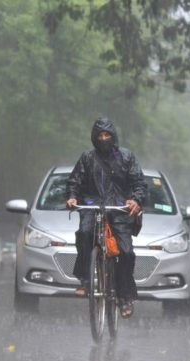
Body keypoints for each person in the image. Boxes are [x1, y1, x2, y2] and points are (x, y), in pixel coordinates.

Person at [66, 117, 147, 318]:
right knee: (84, 233)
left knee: (126, 253)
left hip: (119, 208)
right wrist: (72, 196)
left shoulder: (126, 157)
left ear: (113, 136)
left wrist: (135, 200)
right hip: (92, 205)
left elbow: (139, 182)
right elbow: (74, 181)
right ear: (94, 138)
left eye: (107, 135)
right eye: (100, 135)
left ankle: (124, 297)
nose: (103, 139)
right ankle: (85, 280)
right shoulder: (87, 158)